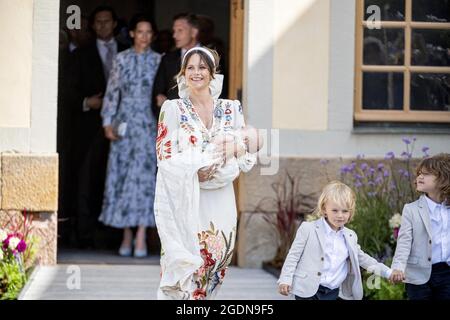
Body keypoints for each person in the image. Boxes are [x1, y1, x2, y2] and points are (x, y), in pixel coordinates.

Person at [154, 47, 257, 299]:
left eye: (202, 67)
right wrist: (192, 172)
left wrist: (236, 146)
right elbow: (164, 157)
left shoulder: (232, 108)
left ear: (212, 73)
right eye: (190, 67)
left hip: (221, 199)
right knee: (188, 269)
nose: (196, 72)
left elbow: (249, 154)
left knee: (216, 265)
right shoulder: (173, 109)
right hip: (189, 199)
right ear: (183, 73)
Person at [98, 14, 161, 258]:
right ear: (132, 33)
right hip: (124, 122)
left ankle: (143, 234)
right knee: (123, 176)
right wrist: (107, 122)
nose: (144, 36)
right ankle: (126, 233)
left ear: (152, 35)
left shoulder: (159, 61)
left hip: (148, 124)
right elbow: (112, 92)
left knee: (145, 179)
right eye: (140, 31)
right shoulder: (121, 60)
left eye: (148, 32)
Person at [71, 5, 128, 248]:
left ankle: (115, 236)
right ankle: (84, 235)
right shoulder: (81, 54)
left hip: (121, 125)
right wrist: (87, 102)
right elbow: (66, 91)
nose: (103, 25)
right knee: (86, 178)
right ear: (93, 26)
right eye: (98, 22)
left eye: (107, 21)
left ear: (115, 24)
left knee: (116, 178)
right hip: (89, 126)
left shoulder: (128, 52)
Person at [278, 181, 393, 300]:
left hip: (332, 292)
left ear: (350, 212)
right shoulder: (308, 229)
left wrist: (388, 272)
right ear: (324, 209)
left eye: (345, 211)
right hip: (307, 290)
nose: (340, 215)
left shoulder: (350, 236)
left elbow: (364, 259)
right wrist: (285, 279)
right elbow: (293, 256)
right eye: (335, 210)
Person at [390, 153, 450, 300]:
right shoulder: (411, 209)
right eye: (419, 174)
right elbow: (404, 242)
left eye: (426, 174)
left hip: (447, 273)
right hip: (418, 275)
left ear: (443, 178)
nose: (419, 177)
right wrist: (397, 267)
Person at [152, 13, 200, 114]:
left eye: (180, 30)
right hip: (174, 122)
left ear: (194, 32)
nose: (174, 35)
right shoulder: (168, 59)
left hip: (204, 122)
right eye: (174, 31)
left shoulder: (212, 57)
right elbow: (158, 93)